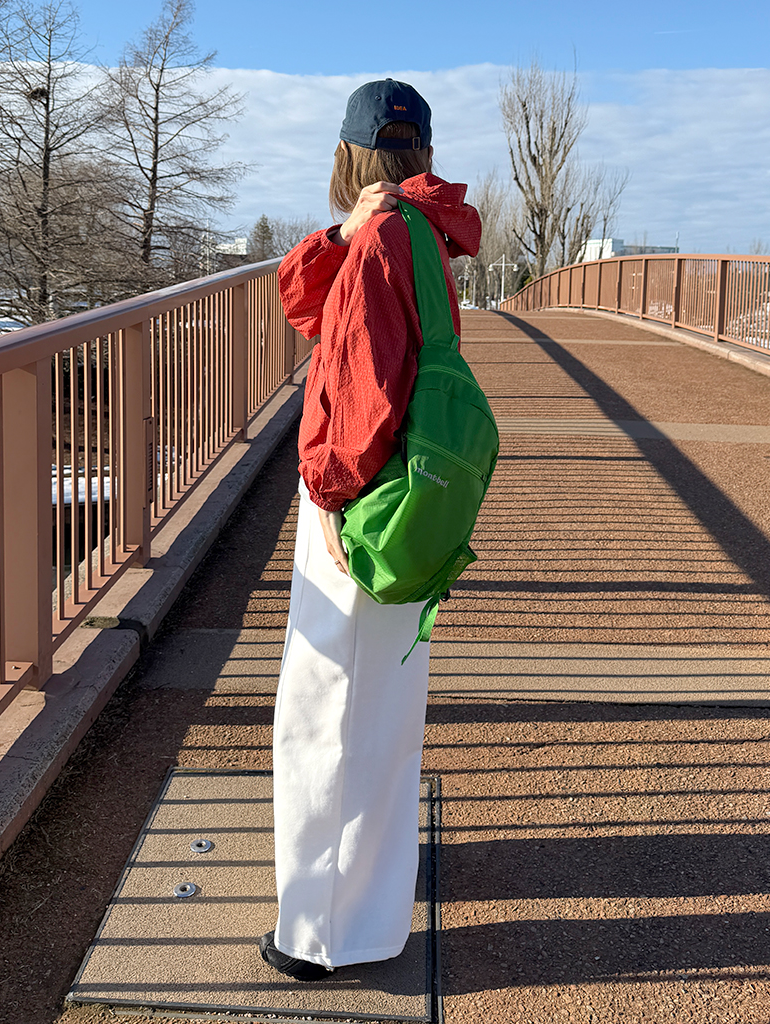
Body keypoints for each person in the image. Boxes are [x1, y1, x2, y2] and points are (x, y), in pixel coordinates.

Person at [259, 79, 481, 982]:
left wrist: (329, 496)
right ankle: (369, 908)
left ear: (349, 155)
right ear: (420, 150)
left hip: (364, 501)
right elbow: (308, 303)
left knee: (329, 711)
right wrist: (337, 237)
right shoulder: (416, 230)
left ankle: (324, 933)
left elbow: (359, 382)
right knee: (379, 707)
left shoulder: (386, 236)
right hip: (409, 494)